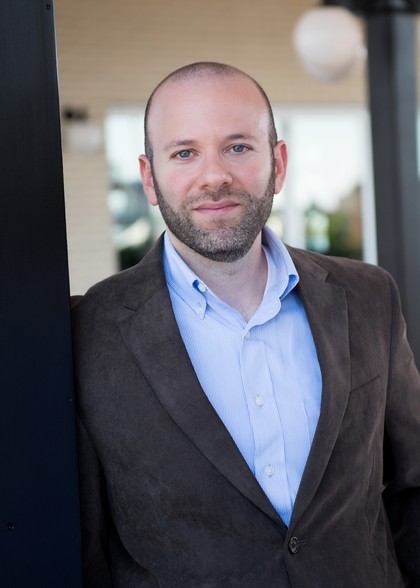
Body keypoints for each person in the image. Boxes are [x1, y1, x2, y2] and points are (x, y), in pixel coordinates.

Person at [72, 62, 420, 587]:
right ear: (149, 177)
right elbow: (86, 541)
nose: (214, 176)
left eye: (238, 147)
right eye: (184, 153)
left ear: (278, 164)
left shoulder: (369, 297)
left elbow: (413, 482)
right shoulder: (89, 332)